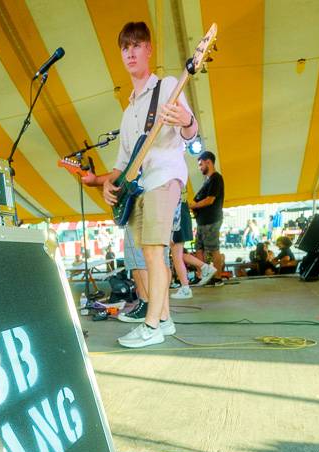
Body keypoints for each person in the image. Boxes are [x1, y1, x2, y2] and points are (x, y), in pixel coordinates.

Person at [81, 21, 198, 348]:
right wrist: (105, 184)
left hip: (164, 176)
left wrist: (186, 121)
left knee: (152, 252)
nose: (130, 52)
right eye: (125, 47)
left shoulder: (168, 86)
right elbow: (122, 165)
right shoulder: (129, 110)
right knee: (153, 258)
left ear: (149, 50)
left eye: (136, 46)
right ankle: (165, 319)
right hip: (140, 186)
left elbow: (190, 133)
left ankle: (151, 326)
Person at [189, 151, 223, 283]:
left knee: (213, 249)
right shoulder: (208, 180)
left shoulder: (216, 178)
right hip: (202, 221)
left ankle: (218, 278)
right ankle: (201, 275)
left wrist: (194, 206)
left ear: (208, 161)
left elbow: (210, 200)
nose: (200, 167)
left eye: (200, 164)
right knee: (199, 248)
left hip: (211, 219)